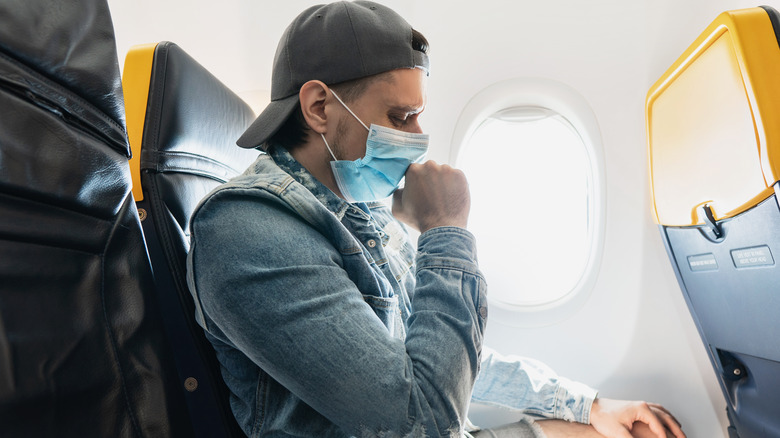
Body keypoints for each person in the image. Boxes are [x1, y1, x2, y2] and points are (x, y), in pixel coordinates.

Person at [186, 1, 686, 437]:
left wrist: (586, 404)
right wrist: (446, 232)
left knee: (615, 431)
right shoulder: (249, 233)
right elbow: (424, 425)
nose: (419, 136)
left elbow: (443, 358)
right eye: (402, 117)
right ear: (319, 107)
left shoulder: (358, 210)